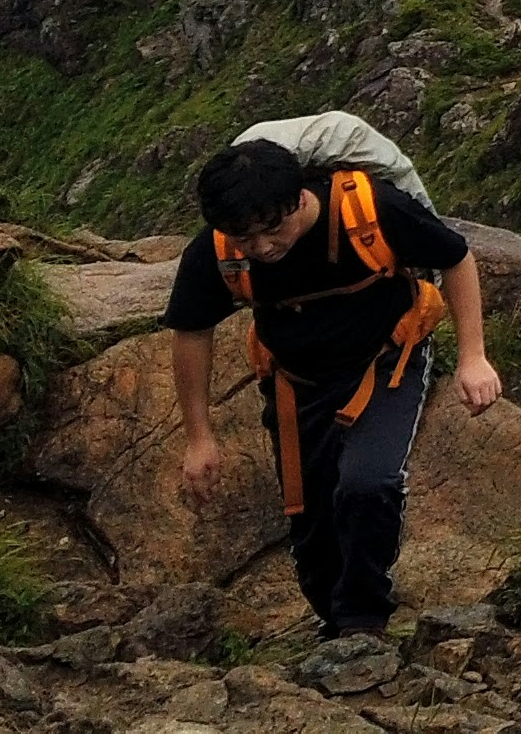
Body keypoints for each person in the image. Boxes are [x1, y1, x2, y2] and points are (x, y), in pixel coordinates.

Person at [165, 134, 503, 637]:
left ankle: (362, 622)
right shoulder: (217, 252)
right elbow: (191, 330)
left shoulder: (368, 210)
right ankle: (334, 617)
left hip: (388, 361)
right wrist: (199, 437)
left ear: (300, 198)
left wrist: (473, 357)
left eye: (271, 230)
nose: (261, 248)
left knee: (369, 482)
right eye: (243, 236)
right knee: (312, 518)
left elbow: (455, 258)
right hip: (296, 383)